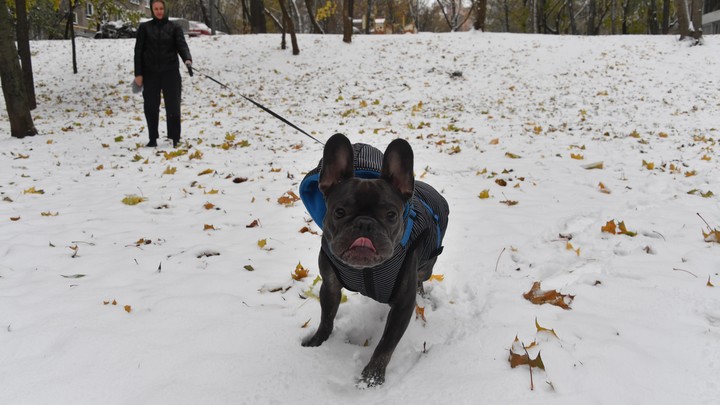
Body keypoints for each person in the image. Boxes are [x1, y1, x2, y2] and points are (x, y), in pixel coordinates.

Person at [134, 0, 192, 148]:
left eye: (161, 8)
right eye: (156, 9)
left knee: (173, 106)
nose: (159, 11)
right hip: (150, 73)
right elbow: (138, 52)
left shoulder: (174, 27)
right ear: (152, 10)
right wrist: (138, 74)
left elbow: (181, 45)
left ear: (165, 9)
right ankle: (152, 138)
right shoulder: (145, 28)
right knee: (151, 106)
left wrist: (187, 59)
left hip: (170, 73)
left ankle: (174, 137)